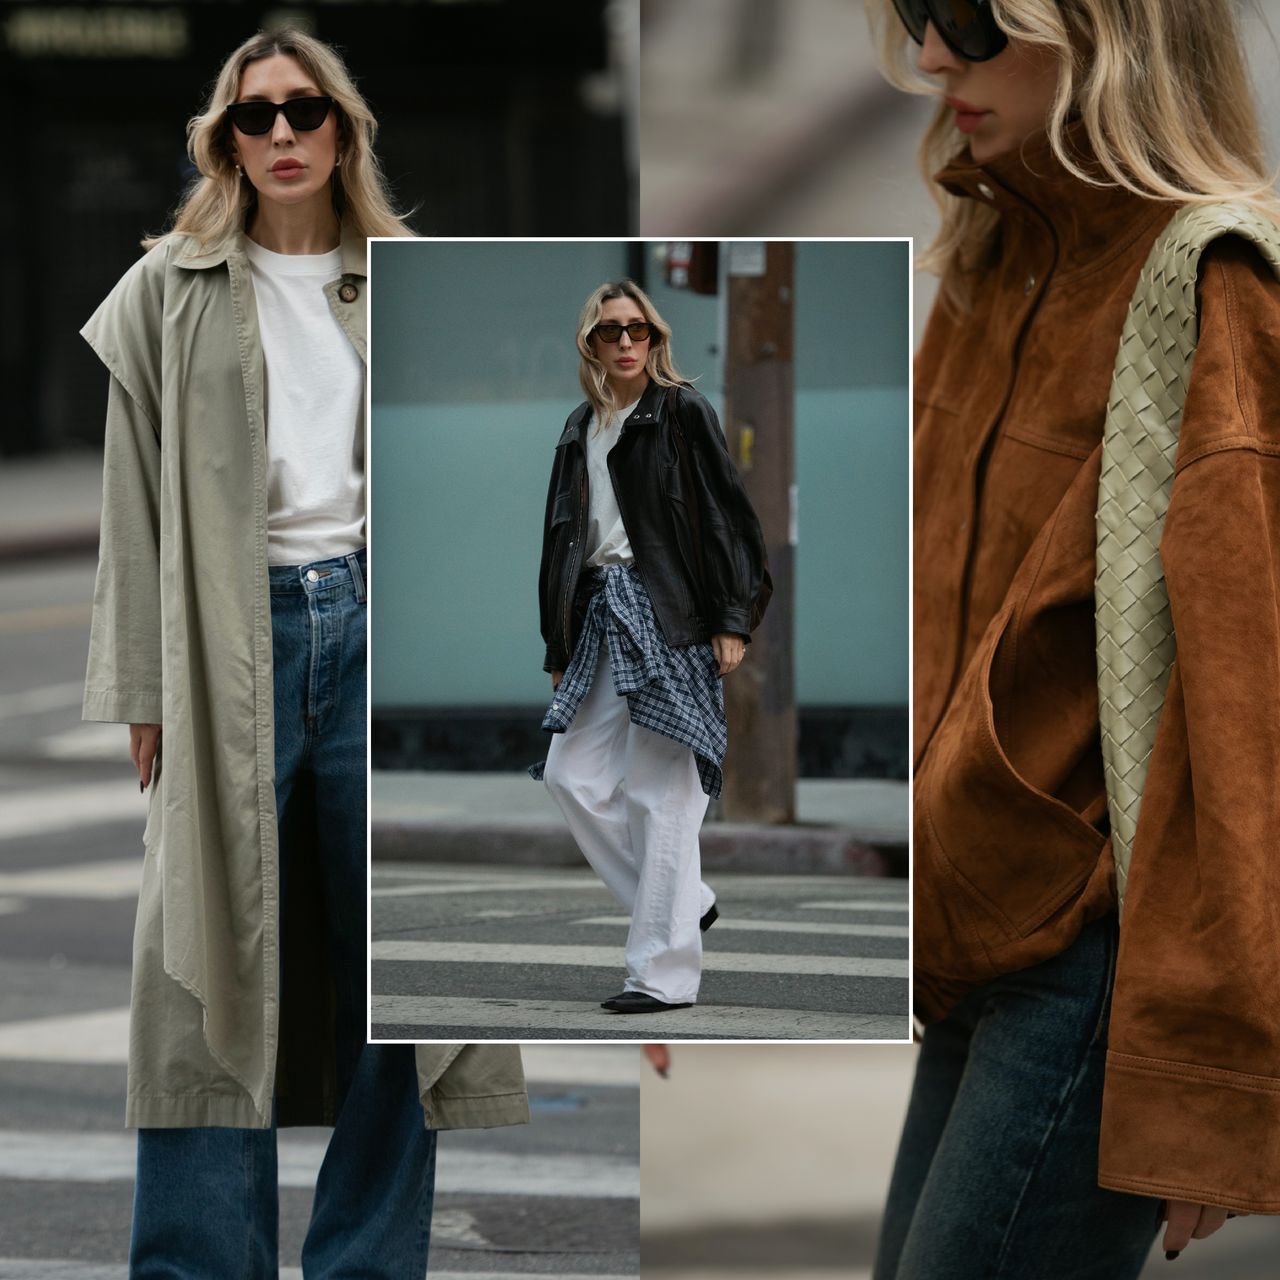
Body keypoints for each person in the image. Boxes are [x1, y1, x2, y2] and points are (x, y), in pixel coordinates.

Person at [81, 28, 528, 1277]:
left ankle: (365, 1260)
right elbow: (132, 504)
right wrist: (142, 688)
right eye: (252, 116)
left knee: (407, 964)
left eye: (304, 111)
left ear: (345, 129)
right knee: (198, 972)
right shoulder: (163, 288)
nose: (280, 135)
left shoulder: (409, 283)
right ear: (223, 141)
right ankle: (195, 1260)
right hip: (236, 642)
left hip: (382, 638)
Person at [868, 1, 1280, 1275]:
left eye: (971, 14)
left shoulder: (1211, 279)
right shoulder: (998, 243)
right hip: (974, 922)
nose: (933, 54)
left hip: (1097, 958)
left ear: (1107, 26)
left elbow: (1241, 718)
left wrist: (1200, 1071)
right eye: (913, 13)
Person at [530, 279, 770, 1014]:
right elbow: (558, 543)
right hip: (602, 612)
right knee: (571, 773)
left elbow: (728, 517)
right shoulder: (581, 426)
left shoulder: (681, 412)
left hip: (669, 612)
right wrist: (558, 645)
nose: (628, 342)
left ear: (656, 340)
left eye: (639, 330)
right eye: (612, 332)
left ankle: (662, 977)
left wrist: (731, 618)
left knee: (661, 797)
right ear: (591, 344)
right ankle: (684, 898)